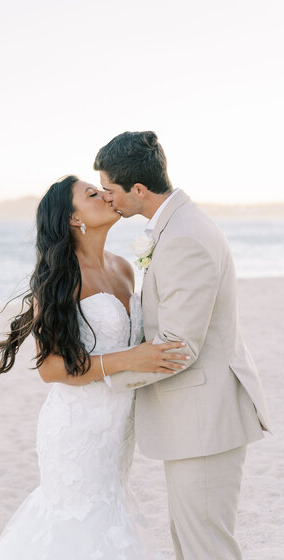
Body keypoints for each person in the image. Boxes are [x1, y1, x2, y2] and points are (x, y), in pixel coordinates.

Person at [0, 174, 188, 559]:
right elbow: (52, 369)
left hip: (117, 427)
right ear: (73, 218)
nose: (105, 195)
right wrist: (132, 359)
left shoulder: (124, 268)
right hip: (77, 428)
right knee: (79, 526)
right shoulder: (60, 277)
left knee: (107, 517)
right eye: (92, 194)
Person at [93, 130, 273, 559]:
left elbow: (177, 348)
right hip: (196, 421)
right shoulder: (176, 226)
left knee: (206, 547)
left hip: (206, 420)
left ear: (137, 189)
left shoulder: (184, 236)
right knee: (192, 543)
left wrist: (100, 371)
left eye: (110, 190)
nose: (108, 199)